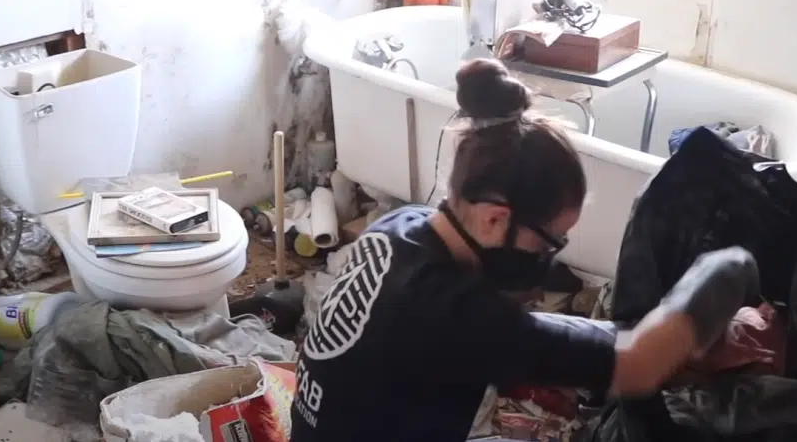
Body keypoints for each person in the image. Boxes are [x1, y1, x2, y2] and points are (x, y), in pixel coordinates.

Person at [290, 58, 758, 442]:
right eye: (548, 242)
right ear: (496, 216)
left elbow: (535, 332)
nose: (548, 259)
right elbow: (637, 366)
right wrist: (723, 272)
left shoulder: (401, 226)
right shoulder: (460, 317)